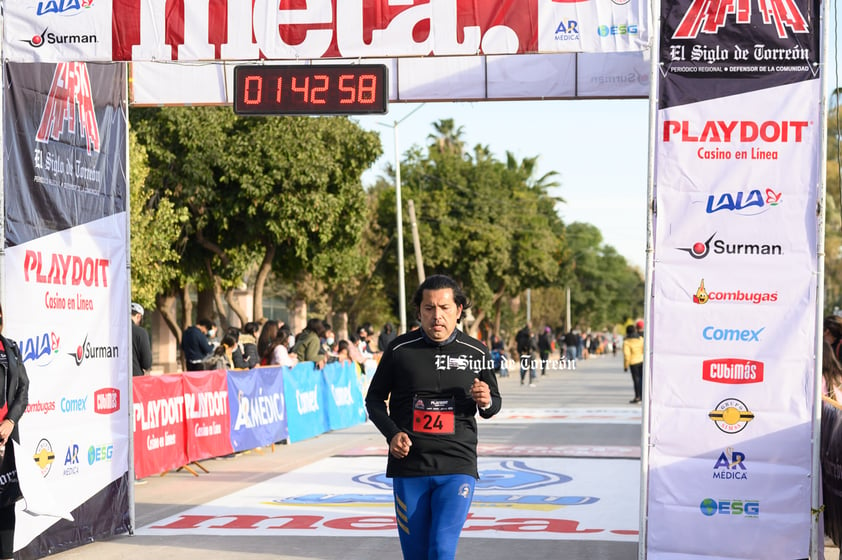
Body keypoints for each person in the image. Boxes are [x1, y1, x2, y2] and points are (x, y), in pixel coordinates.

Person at [365, 274, 501, 560]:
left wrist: (486, 401)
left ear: (458, 310)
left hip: (457, 465)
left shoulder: (477, 351)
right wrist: (392, 433)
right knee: (416, 555)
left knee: (441, 548)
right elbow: (374, 400)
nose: (436, 316)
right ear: (419, 312)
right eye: (429, 308)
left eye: (444, 308)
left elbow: (493, 404)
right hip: (410, 467)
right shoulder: (400, 350)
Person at [0, 303, 29, 560]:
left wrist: (10, 421)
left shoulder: (11, 349)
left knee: (6, 503)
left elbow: (23, 390)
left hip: (6, 441)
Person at [623, 324, 644, 404]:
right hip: (641, 361)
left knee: (636, 380)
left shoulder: (626, 342)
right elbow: (643, 350)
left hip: (633, 362)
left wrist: (625, 366)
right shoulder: (641, 339)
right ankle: (643, 396)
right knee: (642, 379)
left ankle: (638, 397)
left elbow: (627, 355)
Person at [130, 302, 152, 377]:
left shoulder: (113, 331)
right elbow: (147, 363)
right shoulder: (141, 333)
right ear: (138, 316)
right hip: (135, 379)